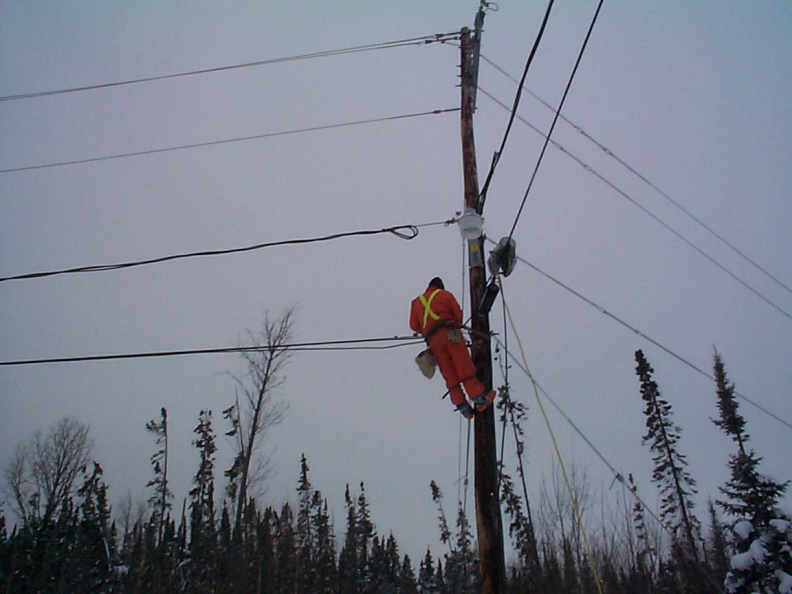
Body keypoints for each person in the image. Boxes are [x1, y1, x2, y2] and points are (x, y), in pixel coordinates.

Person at [410, 277, 496, 419]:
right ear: (440, 287)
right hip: (450, 332)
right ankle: (479, 399)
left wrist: (427, 330)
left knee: (449, 374)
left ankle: (463, 408)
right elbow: (458, 315)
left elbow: (414, 325)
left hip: (433, 341)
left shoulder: (416, 302)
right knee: (463, 367)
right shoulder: (445, 295)